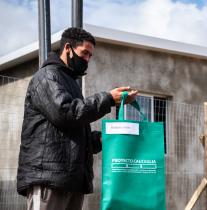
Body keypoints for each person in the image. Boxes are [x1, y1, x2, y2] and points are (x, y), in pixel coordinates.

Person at [17, 27, 137, 210]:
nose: (87, 59)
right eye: (84, 53)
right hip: (49, 179)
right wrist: (108, 99)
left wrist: (101, 138)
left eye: (90, 56)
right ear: (67, 48)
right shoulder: (47, 77)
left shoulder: (70, 82)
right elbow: (66, 113)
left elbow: (72, 133)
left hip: (71, 181)